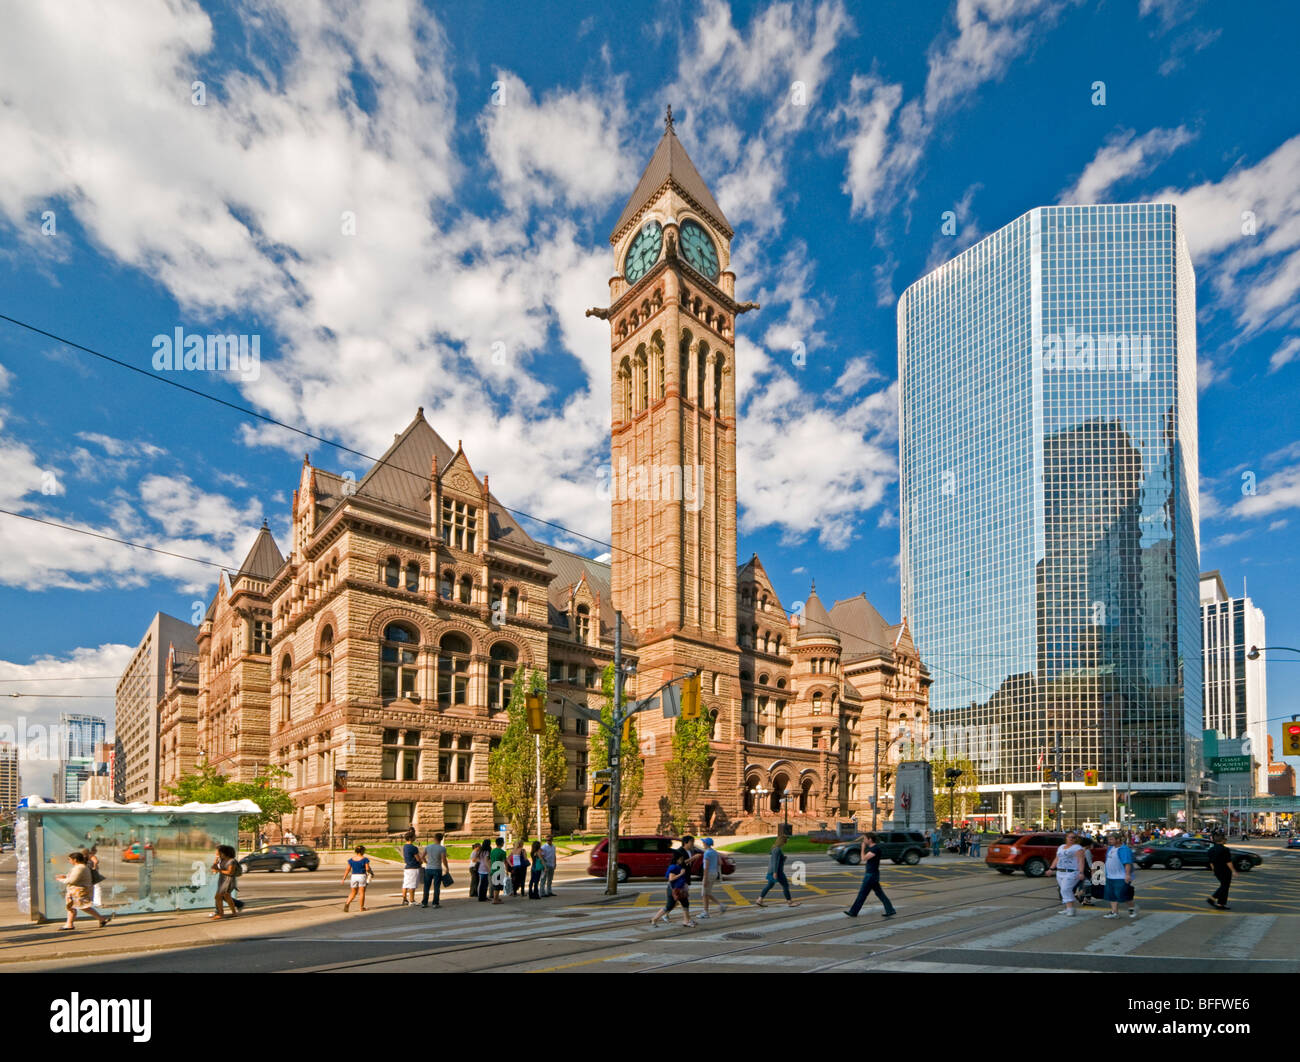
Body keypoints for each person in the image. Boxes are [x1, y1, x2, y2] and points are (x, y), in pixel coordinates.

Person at [844, 832, 896, 919]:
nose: (864, 840)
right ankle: (890, 910)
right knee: (880, 894)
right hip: (872, 875)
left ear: (870, 839)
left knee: (862, 894)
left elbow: (863, 858)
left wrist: (862, 848)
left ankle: (853, 912)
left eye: (865, 839)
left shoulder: (875, 849)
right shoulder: (873, 848)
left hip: (871, 875)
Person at [56, 851, 112, 930]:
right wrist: (65, 876)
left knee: (79, 906)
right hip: (79, 891)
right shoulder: (83, 867)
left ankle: (70, 924)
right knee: (76, 906)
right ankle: (70, 924)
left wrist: (60, 880)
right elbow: (76, 877)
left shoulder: (80, 868)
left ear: (75, 859)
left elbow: (72, 880)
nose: (69, 861)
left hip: (78, 891)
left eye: (69, 859)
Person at [650, 851, 695, 928]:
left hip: (675, 889)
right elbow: (671, 879)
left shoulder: (676, 866)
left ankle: (654, 919)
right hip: (675, 889)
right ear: (677, 859)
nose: (682, 860)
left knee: (672, 905)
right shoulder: (674, 867)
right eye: (681, 859)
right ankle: (686, 921)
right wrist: (681, 874)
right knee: (682, 904)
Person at [1047, 830, 1086, 916]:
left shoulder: (1077, 848)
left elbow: (1081, 861)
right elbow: (1057, 859)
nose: (1071, 839)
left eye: (1074, 837)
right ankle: (1068, 908)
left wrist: (1081, 872)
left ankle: (1071, 909)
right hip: (1060, 871)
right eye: (1070, 837)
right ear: (1066, 838)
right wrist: (1051, 868)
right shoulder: (1061, 847)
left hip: (1072, 872)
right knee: (1063, 890)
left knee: (1065, 889)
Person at [755, 834, 799, 908]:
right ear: (782, 841)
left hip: (773, 871)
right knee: (785, 885)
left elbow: (776, 859)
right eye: (785, 841)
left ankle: (759, 900)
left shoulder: (775, 848)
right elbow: (775, 861)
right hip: (777, 872)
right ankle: (790, 902)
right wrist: (775, 872)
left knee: (769, 885)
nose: (785, 843)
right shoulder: (777, 849)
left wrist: (783, 858)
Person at [1102, 832, 1136, 919]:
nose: (1109, 841)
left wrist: (1127, 875)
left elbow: (1127, 863)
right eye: (1109, 839)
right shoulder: (1110, 848)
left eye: (1111, 839)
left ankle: (1132, 907)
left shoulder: (1124, 849)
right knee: (1111, 895)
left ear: (1118, 840)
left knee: (1122, 895)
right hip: (1110, 876)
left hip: (1121, 876)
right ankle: (1114, 912)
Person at [210, 844, 241, 920]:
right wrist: (215, 860)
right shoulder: (222, 860)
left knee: (218, 897)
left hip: (228, 881)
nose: (216, 854)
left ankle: (221, 914)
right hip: (222, 880)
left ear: (223, 852)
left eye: (218, 852)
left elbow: (230, 872)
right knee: (227, 897)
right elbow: (213, 868)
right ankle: (234, 913)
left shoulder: (232, 861)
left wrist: (218, 870)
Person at [1207, 831, 1235, 911]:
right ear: (1222, 840)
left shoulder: (1211, 850)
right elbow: (1228, 862)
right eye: (1225, 839)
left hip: (1217, 870)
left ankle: (1220, 903)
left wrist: (1214, 870)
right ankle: (1214, 899)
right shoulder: (1225, 849)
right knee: (1225, 886)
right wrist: (1233, 870)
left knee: (1224, 886)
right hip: (1225, 870)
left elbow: (1211, 862)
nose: (1226, 840)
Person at [698, 837, 725, 918]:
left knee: (704, 894)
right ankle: (720, 905)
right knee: (707, 893)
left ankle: (706, 912)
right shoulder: (715, 852)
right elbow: (720, 862)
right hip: (714, 873)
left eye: (703, 842)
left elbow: (706, 867)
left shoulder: (707, 853)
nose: (703, 844)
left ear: (706, 844)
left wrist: (705, 879)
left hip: (708, 874)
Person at [422, 832, 449, 908]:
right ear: (441, 839)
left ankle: (424, 902)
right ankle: (435, 903)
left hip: (428, 869)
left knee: (426, 886)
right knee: (436, 887)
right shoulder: (442, 848)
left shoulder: (428, 847)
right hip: (437, 869)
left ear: (434, 838)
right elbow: (444, 860)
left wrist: (427, 863)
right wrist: (447, 868)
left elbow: (422, 857)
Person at [342, 845, 373, 912]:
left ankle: (347, 903)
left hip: (353, 876)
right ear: (362, 851)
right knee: (361, 892)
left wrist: (344, 878)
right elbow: (367, 869)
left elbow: (348, 869)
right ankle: (361, 908)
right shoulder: (365, 859)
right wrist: (370, 873)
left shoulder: (351, 860)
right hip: (361, 876)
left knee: (353, 892)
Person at [401, 829, 423, 907]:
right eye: (414, 837)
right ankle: (412, 900)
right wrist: (421, 862)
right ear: (410, 838)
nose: (415, 838)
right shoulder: (413, 848)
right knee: (412, 885)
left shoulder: (405, 846)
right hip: (414, 867)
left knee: (406, 884)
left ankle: (404, 899)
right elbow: (418, 859)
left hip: (407, 867)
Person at [489, 837, 508, 903]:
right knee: (498, 885)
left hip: (493, 869)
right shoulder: (502, 852)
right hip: (499, 870)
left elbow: (490, 860)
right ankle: (495, 899)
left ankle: (496, 897)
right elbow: (505, 862)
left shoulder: (493, 851)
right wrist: (507, 871)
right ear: (502, 843)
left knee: (495, 884)